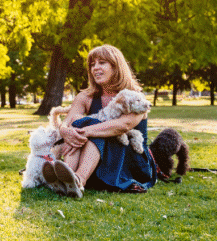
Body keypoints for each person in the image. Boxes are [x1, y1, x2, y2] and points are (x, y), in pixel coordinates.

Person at [45, 44, 157, 198]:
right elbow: (69, 120)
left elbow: (122, 126)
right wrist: (66, 131)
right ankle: (67, 176)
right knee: (77, 124)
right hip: (98, 161)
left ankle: (78, 180)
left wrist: (82, 131)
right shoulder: (85, 97)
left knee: (93, 127)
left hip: (130, 162)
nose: (95, 68)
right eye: (92, 64)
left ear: (116, 67)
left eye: (102, 63)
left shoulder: (135, 97)